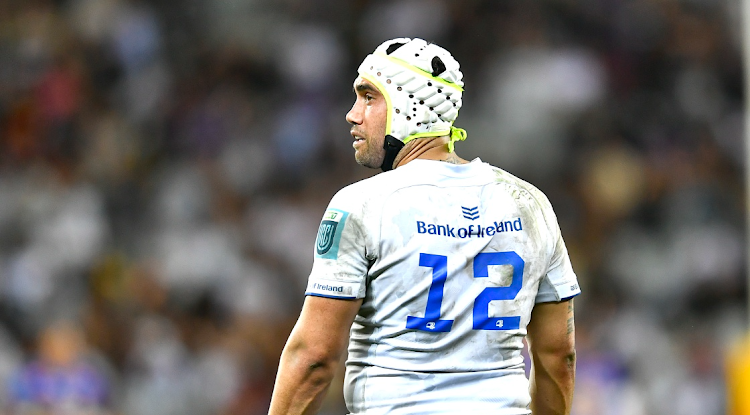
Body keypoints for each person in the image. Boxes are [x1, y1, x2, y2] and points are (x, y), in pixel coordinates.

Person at [267, 37, 581, 415]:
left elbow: (314, 359)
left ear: (408, 106)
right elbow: (558, 356)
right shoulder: (530, 204)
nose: (353, 114)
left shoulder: (362, 205)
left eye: (369, 97)